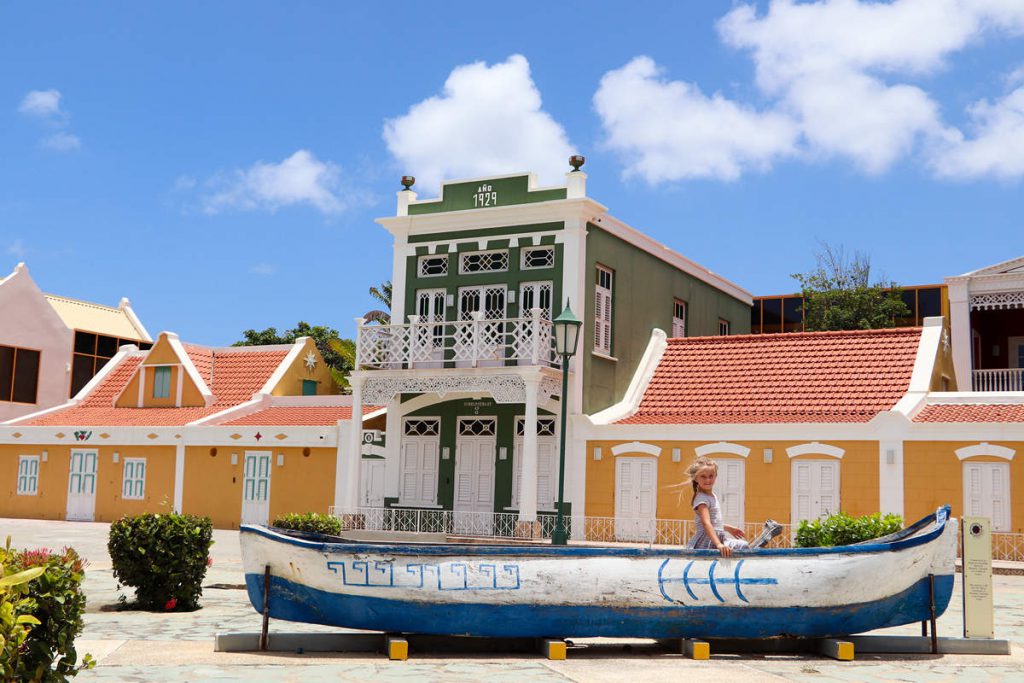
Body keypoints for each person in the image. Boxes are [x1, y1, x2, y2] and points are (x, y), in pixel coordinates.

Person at [683, 457, 748, 557]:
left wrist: (729, 528)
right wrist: (718, 544)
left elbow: (714, 523)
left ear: (715, 476)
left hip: (719, 537)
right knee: (742, 547)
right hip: (708, 541)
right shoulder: (701, 499)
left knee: (744, 546)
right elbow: (706, 523)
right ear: (696, 478)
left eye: (711, 476)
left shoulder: (712, 496)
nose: (708, 479)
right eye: (703, 476)